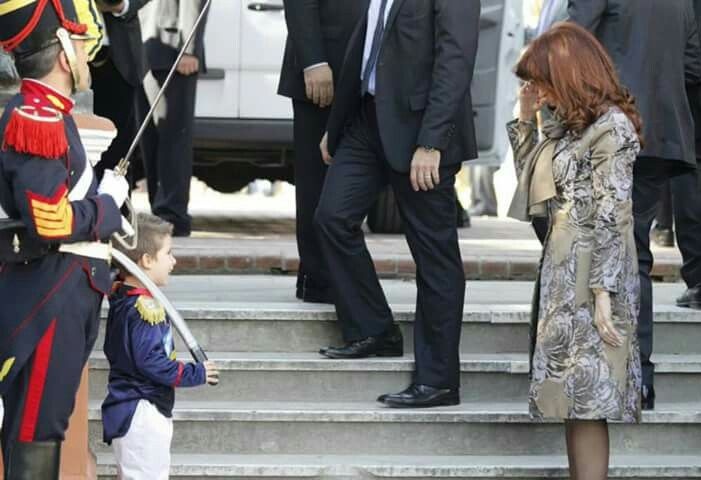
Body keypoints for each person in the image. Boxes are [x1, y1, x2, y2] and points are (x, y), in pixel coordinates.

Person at [315, 0, 480, 408]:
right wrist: (335, 130)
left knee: (435, 256)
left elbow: (455, 57)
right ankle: (375, 329)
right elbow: (366, 49)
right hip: (367, 122)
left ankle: (439, 380)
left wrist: (432, 141)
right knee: (331, 218)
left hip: (422, 132)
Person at [0, 1, 129, 476]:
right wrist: (107, 207)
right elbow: (48, 222)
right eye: (78, 40)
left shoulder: (50, 114)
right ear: (61, 50)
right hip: (48, 297)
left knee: (42, 428)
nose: (85, 50)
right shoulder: (38, 117)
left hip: (62, 290)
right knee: (36, 430)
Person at [509, 22, 642, 480]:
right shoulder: (569, 125)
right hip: (563, 272)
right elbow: (534, 186)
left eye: (543, 80)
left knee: (591, 396)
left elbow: (613, 212)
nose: (538, 90)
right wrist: (527, 118)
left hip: (594, 272)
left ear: (567, 73)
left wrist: (604, 291)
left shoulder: (612, 128)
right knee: (572, 396)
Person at [569, 0, 701, 410]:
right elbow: (693, 66)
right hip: (663, 135)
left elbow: (568, 47)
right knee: (635, 255)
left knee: (599, 248)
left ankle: (612, 370)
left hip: (611, 133)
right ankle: (639, 375)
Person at [101, 213, 218, 479]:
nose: (174, 261)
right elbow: (149, 361)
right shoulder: (144, 308)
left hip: (137, 407)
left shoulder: (126, 299)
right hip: (142, 410)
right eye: (169, 253)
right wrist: (195, 373)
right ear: (146, 260)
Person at [278, 0, 368, 304]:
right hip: (323, 71)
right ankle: (319, 279)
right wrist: (313, 60)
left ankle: (339, 274)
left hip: (369, 72)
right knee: (317, 180)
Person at [138, 0, 208, 237]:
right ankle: (164, 213)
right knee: (156, 138)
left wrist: (188, 47)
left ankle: (170, 214)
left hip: (171, 48)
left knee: (170, 137)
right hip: (151, 44)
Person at [90, 0, 152, 184]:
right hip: (68, 58)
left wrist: (122, 5)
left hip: (120, 61)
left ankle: (117, 209)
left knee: (119, 149)